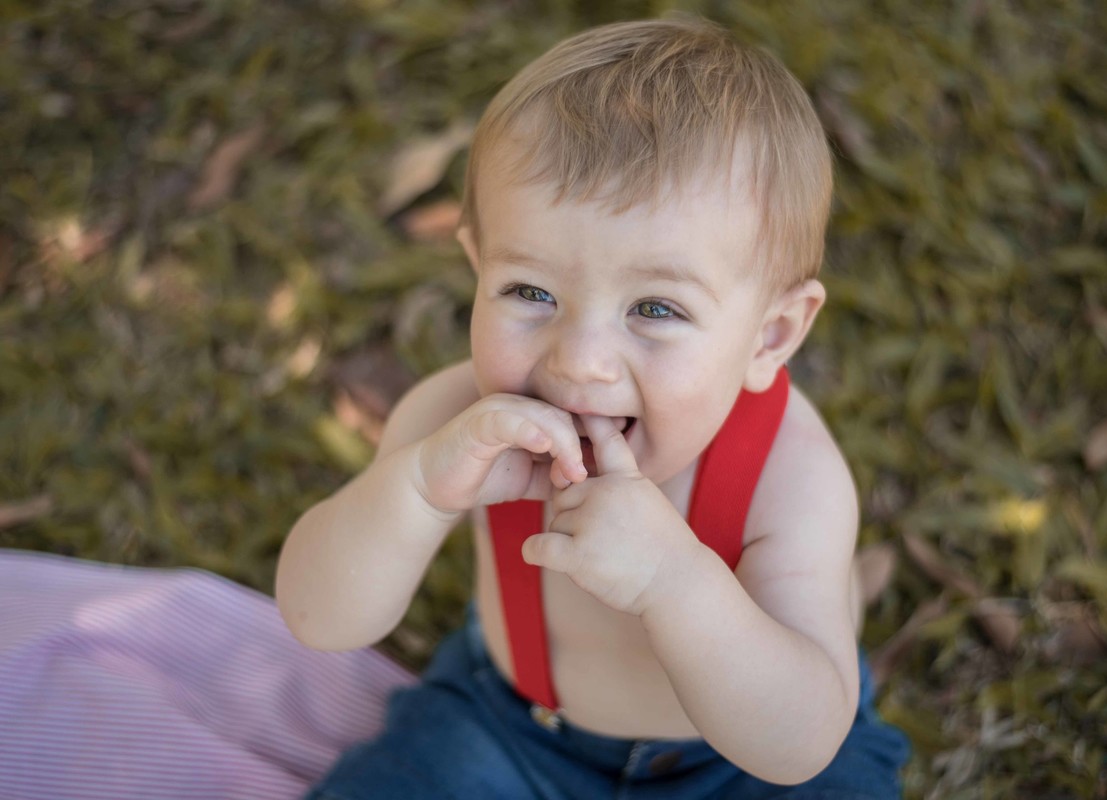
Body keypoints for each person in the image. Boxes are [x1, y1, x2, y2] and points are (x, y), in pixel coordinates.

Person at [276, 15, 910, 799]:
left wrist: (675, 580)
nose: (577, 360)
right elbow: (317, 619)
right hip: (512, 727)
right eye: (530, 291)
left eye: (655, 309)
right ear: (477, 265)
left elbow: (800, 741)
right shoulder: (453, 422)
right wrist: (414, 492)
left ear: (769, 336)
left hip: (737, 768)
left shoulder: (790, 475)